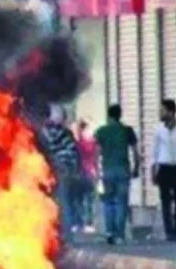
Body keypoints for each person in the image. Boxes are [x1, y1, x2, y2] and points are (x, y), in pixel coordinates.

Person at [93, 104, 140, 245]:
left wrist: (97, 170)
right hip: (123, 169)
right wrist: (136, 167)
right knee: (121, 203)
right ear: (120, 115)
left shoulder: (101, 131)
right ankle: (120, 234)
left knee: (108, 202)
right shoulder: (127, 130)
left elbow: (96, 152)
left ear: (109, 116)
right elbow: (135, 152)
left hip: (107, 170)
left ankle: (109, 232)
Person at [39, 106, 82, 241]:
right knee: (63, 203)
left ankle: (56, 237)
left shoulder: (44, 132)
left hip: (52, 171)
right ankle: (65, 236)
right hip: (62, 171)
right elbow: (74, 153)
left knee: (52, 204)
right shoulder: (65, 133)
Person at [153, 99, 176, 242]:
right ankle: (169, 231)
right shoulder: (159, 129)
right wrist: (153, 169)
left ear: (171, 112)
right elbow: (155, 150)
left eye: (163, 110)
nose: (160, 113)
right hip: (164, 167)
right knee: (165, 201)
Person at [74, 119, 99, 233]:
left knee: (78, 199)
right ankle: (89, 223)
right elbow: (96, 157)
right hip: (90, 172)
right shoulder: (92, 142)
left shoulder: (76, 143)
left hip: (79, 173)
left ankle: (79, 223)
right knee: (89, 199)